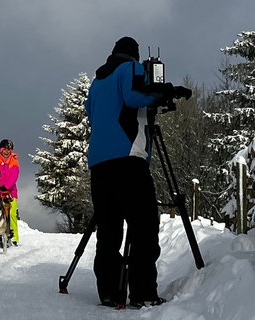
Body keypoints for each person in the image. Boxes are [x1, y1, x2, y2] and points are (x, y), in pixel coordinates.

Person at [83, 36, 166, 308]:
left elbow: (91, 114)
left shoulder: (97, 83)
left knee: (109, 229)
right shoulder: (131, 68)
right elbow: (132, 97)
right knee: (144, 226)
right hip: (128, 159)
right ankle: (143, 292)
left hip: (99, 164)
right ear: (134, 54)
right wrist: (161, 93)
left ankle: (109, 292)